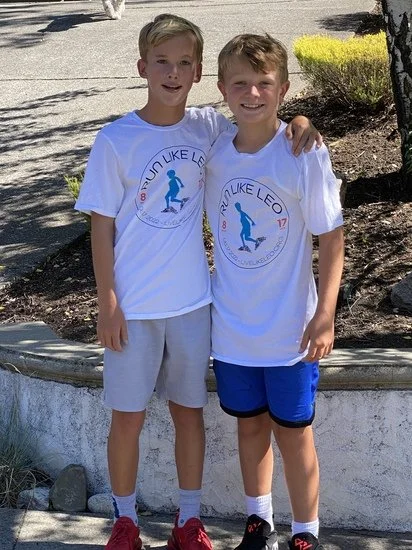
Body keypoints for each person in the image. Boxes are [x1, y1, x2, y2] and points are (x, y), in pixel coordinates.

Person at [75, 14, 321, 550]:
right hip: (133, 309)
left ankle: (189, 522)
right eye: (162, 62)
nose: (173, 72)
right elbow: (101, 226)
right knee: (127, 418)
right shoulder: (115, 140)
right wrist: (107, 301)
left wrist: (301, 120)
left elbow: (261, 124)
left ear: (198, 72)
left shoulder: (208, 128)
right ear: (141, 67)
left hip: (192, 305)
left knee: (190, 416)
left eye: (184, 62)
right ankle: (124, 521)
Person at [204, 33, 344, 550]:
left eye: (264, 83)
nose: (253, 93)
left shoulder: (302, 152)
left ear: (283, 89)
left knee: (294, 433)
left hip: (291, 331)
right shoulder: (213, 149)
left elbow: (332, 238)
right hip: (232, 329)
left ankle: (305, 532)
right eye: (240, 83)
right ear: (222, 88)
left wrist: (324, 314)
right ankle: (258, 522)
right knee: (249, 428)